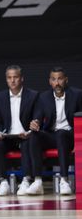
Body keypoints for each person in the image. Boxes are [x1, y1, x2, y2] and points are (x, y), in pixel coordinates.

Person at [26, 67, 82, 195]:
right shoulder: (44, 97)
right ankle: (37, 181)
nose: (57, 83)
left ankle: (64, 180)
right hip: (52, 135)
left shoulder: (77, 95)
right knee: (34, 136)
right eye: (54, 79)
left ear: (66, 80)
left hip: (70, 136)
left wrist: (79, 141)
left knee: (61, 133)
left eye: (60, 79)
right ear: (50, 82)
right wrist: (35, 122)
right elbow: (38, 116)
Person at [0, 65, 38, 196]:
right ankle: (3, 182)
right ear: (6, 79)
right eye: (9, 77)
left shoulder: (33, 95)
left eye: (15, 77)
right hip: (8, 136)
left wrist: (29, 132)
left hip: (25, 135)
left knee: (27, 144)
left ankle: (26, 180)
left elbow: (37, 118)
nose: (12, 80)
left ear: (22, 78)